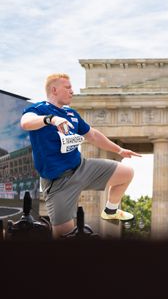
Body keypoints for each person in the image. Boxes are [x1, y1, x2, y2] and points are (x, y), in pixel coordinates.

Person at [20, 73, 141, 238]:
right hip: (58, 181)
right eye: (68, 87)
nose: (72, 91)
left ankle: (110, 210)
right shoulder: (38, 109)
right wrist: (52, 120)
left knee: (126, 173)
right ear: (54, 90)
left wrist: (119, 150)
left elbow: (93, 135)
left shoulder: (71, 114)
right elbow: (25, 123)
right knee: (65, 237)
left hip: (82, 167)